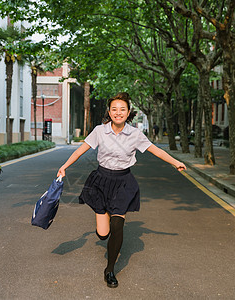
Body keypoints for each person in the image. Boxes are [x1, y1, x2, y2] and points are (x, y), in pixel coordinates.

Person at [57, 92, 186, 288]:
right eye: (114, 109)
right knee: (102, 234)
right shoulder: (100, 131)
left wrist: (175, 162)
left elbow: (155, 150)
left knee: (117, 227)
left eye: (122, 109)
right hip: (101, 181)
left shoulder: (135, 134)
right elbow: (81, 150)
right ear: (109, 112)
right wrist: (64, 166)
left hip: (123, 182)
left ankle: (110, 270)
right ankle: (103, 216)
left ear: (128, 113)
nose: (118, 113)